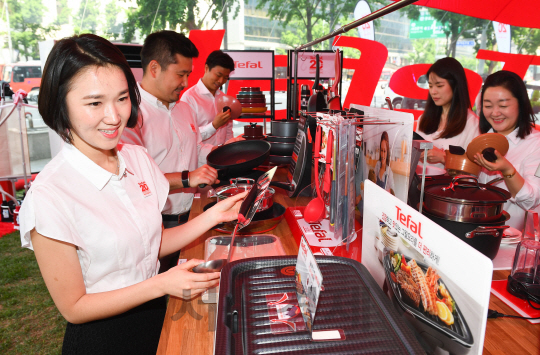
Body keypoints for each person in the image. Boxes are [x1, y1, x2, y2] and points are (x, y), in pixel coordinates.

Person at [20, 34, 247, 354]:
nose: (114, 117)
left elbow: (153, 241)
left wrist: (214, 215)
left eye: (122, 98)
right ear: (61, 104)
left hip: (155, 315)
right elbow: (74, 307)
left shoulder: (137, 158)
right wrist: (160, 284)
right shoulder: (50, 195)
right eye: (95, 102)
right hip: (103, 338)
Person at [120, 31, 241, 228]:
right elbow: (132, 177)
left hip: (190, 213)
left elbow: (196, 148)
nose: (185, 83)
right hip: (154, 223)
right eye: (180, 75)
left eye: (188, 75)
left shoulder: (184, 109)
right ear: (154, 68)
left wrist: (229, 151)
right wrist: (187, 178)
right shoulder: (130, 113)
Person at [474, 70, 540, 231]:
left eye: (503, 105)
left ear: (521, 104)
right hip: (480, 229)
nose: (495, 113)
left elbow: (531, 201)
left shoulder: (536, 144)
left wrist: (507, 169)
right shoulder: (484, 138)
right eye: (488, 106)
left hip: (516, 241)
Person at [416, 57, 480, 169]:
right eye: (430, 86)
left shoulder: (472, 124)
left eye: (439, 86)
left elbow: (475, 168)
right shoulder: (424, 119)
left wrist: (444, 158)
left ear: (455, 85)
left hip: (451, 185)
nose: (433, 91)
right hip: (420, 184)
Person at [181, 50, 235, 145]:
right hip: (199, 159)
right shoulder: (189, 98)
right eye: (218, 75)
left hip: (222, 157)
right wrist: (214, 125)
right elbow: (186, 135)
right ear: (206, 68)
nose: (221, 80)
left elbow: (228, 132)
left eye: (226, 77)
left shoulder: (224, 98)